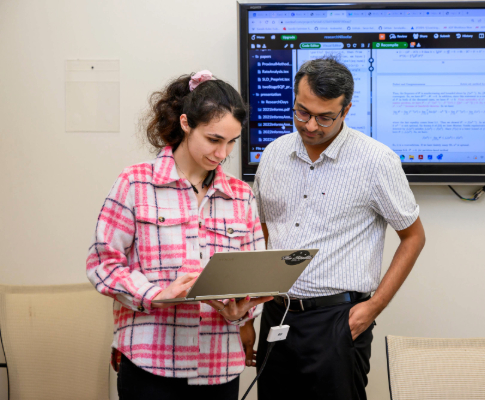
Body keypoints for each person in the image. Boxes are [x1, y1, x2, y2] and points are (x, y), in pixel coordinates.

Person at [86, 70, 271, 400]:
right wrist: (155, 294)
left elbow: (250, 276)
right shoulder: (136, 183)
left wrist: (240, 312)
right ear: (186, 123)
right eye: (214, 139)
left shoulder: (241, 195)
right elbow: (103, 264)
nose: (223, 153)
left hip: (219, 366)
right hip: (149, 364)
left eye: (231, 141)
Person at [251, 57, 426, 400]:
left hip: (337, 319)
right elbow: (262, 230)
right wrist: (249, 314)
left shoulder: (376, 161)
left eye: (325, 117)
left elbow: (413, 236)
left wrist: (372, 308)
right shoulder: (273, 154)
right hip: (277, 313)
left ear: (346, 111)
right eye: (302, 112)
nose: (311, 125)